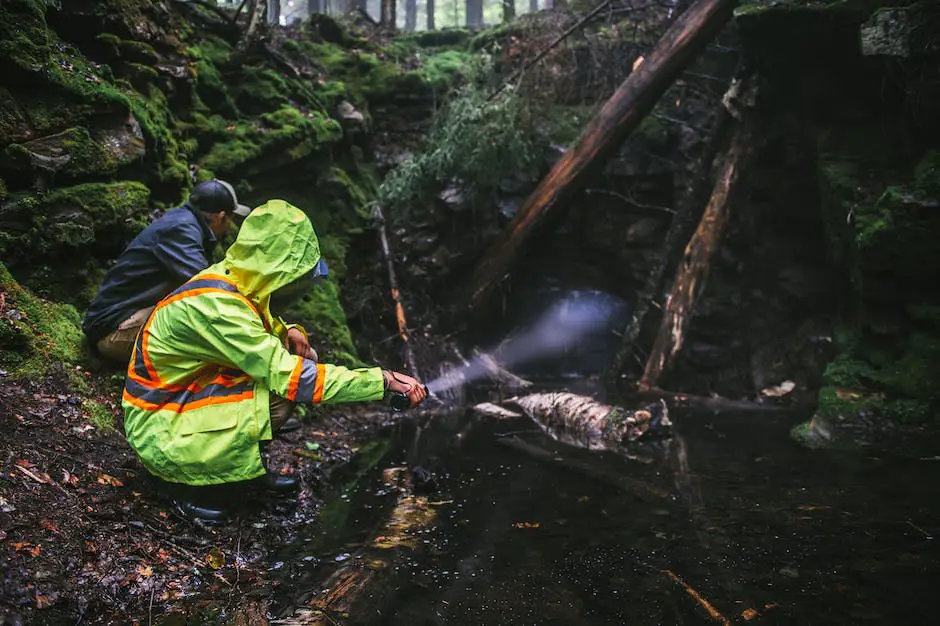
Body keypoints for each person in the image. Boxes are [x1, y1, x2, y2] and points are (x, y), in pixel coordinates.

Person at [122, 199, 427, 520]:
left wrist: (288, 331)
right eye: (294, 274)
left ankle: (239, 472)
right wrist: (382, 381)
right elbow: (294, 378)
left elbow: (254, 329)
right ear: (276, 264)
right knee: (281, 391)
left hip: (178, 401)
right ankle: (181, 486)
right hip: (160, 429)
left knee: (276, 389)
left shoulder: (238, 280)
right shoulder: (217, 308)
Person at [83, 179, 252, 363]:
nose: (230, 225)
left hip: (119, 321)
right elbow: (209, 288)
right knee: (206, 329)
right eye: (232, 218)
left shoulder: (183, 222)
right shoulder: (181, 230)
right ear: (220, 216)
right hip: (112, 331)